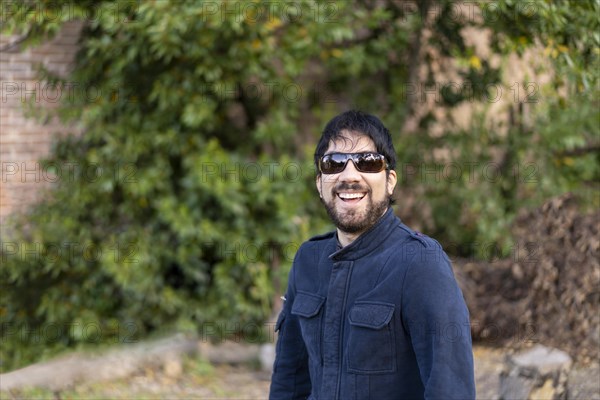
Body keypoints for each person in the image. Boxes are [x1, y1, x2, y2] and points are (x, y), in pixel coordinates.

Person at [269, 110, 476, 400]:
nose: (349, 175)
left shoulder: (421, 264)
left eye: (367, 162)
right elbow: (288, 381)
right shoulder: (308, 260)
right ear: (319, 183)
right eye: (334, 164)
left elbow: (450, 390)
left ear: (390, 181)